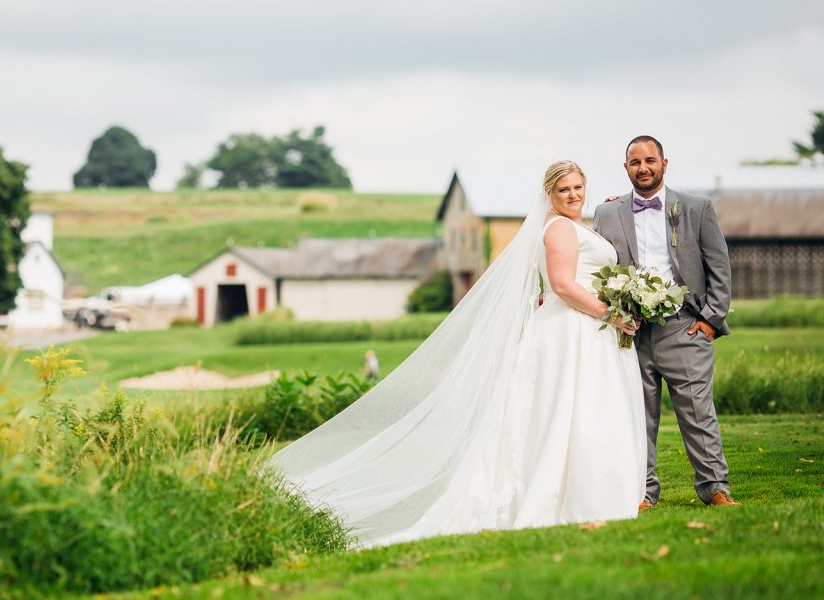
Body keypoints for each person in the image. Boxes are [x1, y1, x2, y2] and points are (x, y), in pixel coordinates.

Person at [270, 161, 646, 548]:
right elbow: (565, 286)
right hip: (572, 330)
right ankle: (574, 494)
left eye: (578, 186)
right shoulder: (562, 229)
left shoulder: (571, 225)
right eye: (564, 189)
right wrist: (613, 314)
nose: (573, 194)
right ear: (549, 193)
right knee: (572, 411)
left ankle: (584, 488)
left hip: (579, 327)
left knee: (572, 411)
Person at [593, 136, 736, 509]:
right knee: (636, 416)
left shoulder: (696, 208)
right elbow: (593, 264)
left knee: (698, 413)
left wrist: (710, 320)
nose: (643, 168)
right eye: (635, 162)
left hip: (685, 327)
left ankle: (715, 488)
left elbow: (718, 266)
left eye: (650, 160)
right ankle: (642, 492)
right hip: (631, 332)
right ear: (626, 168)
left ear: (664, 163)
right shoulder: (606, 213)